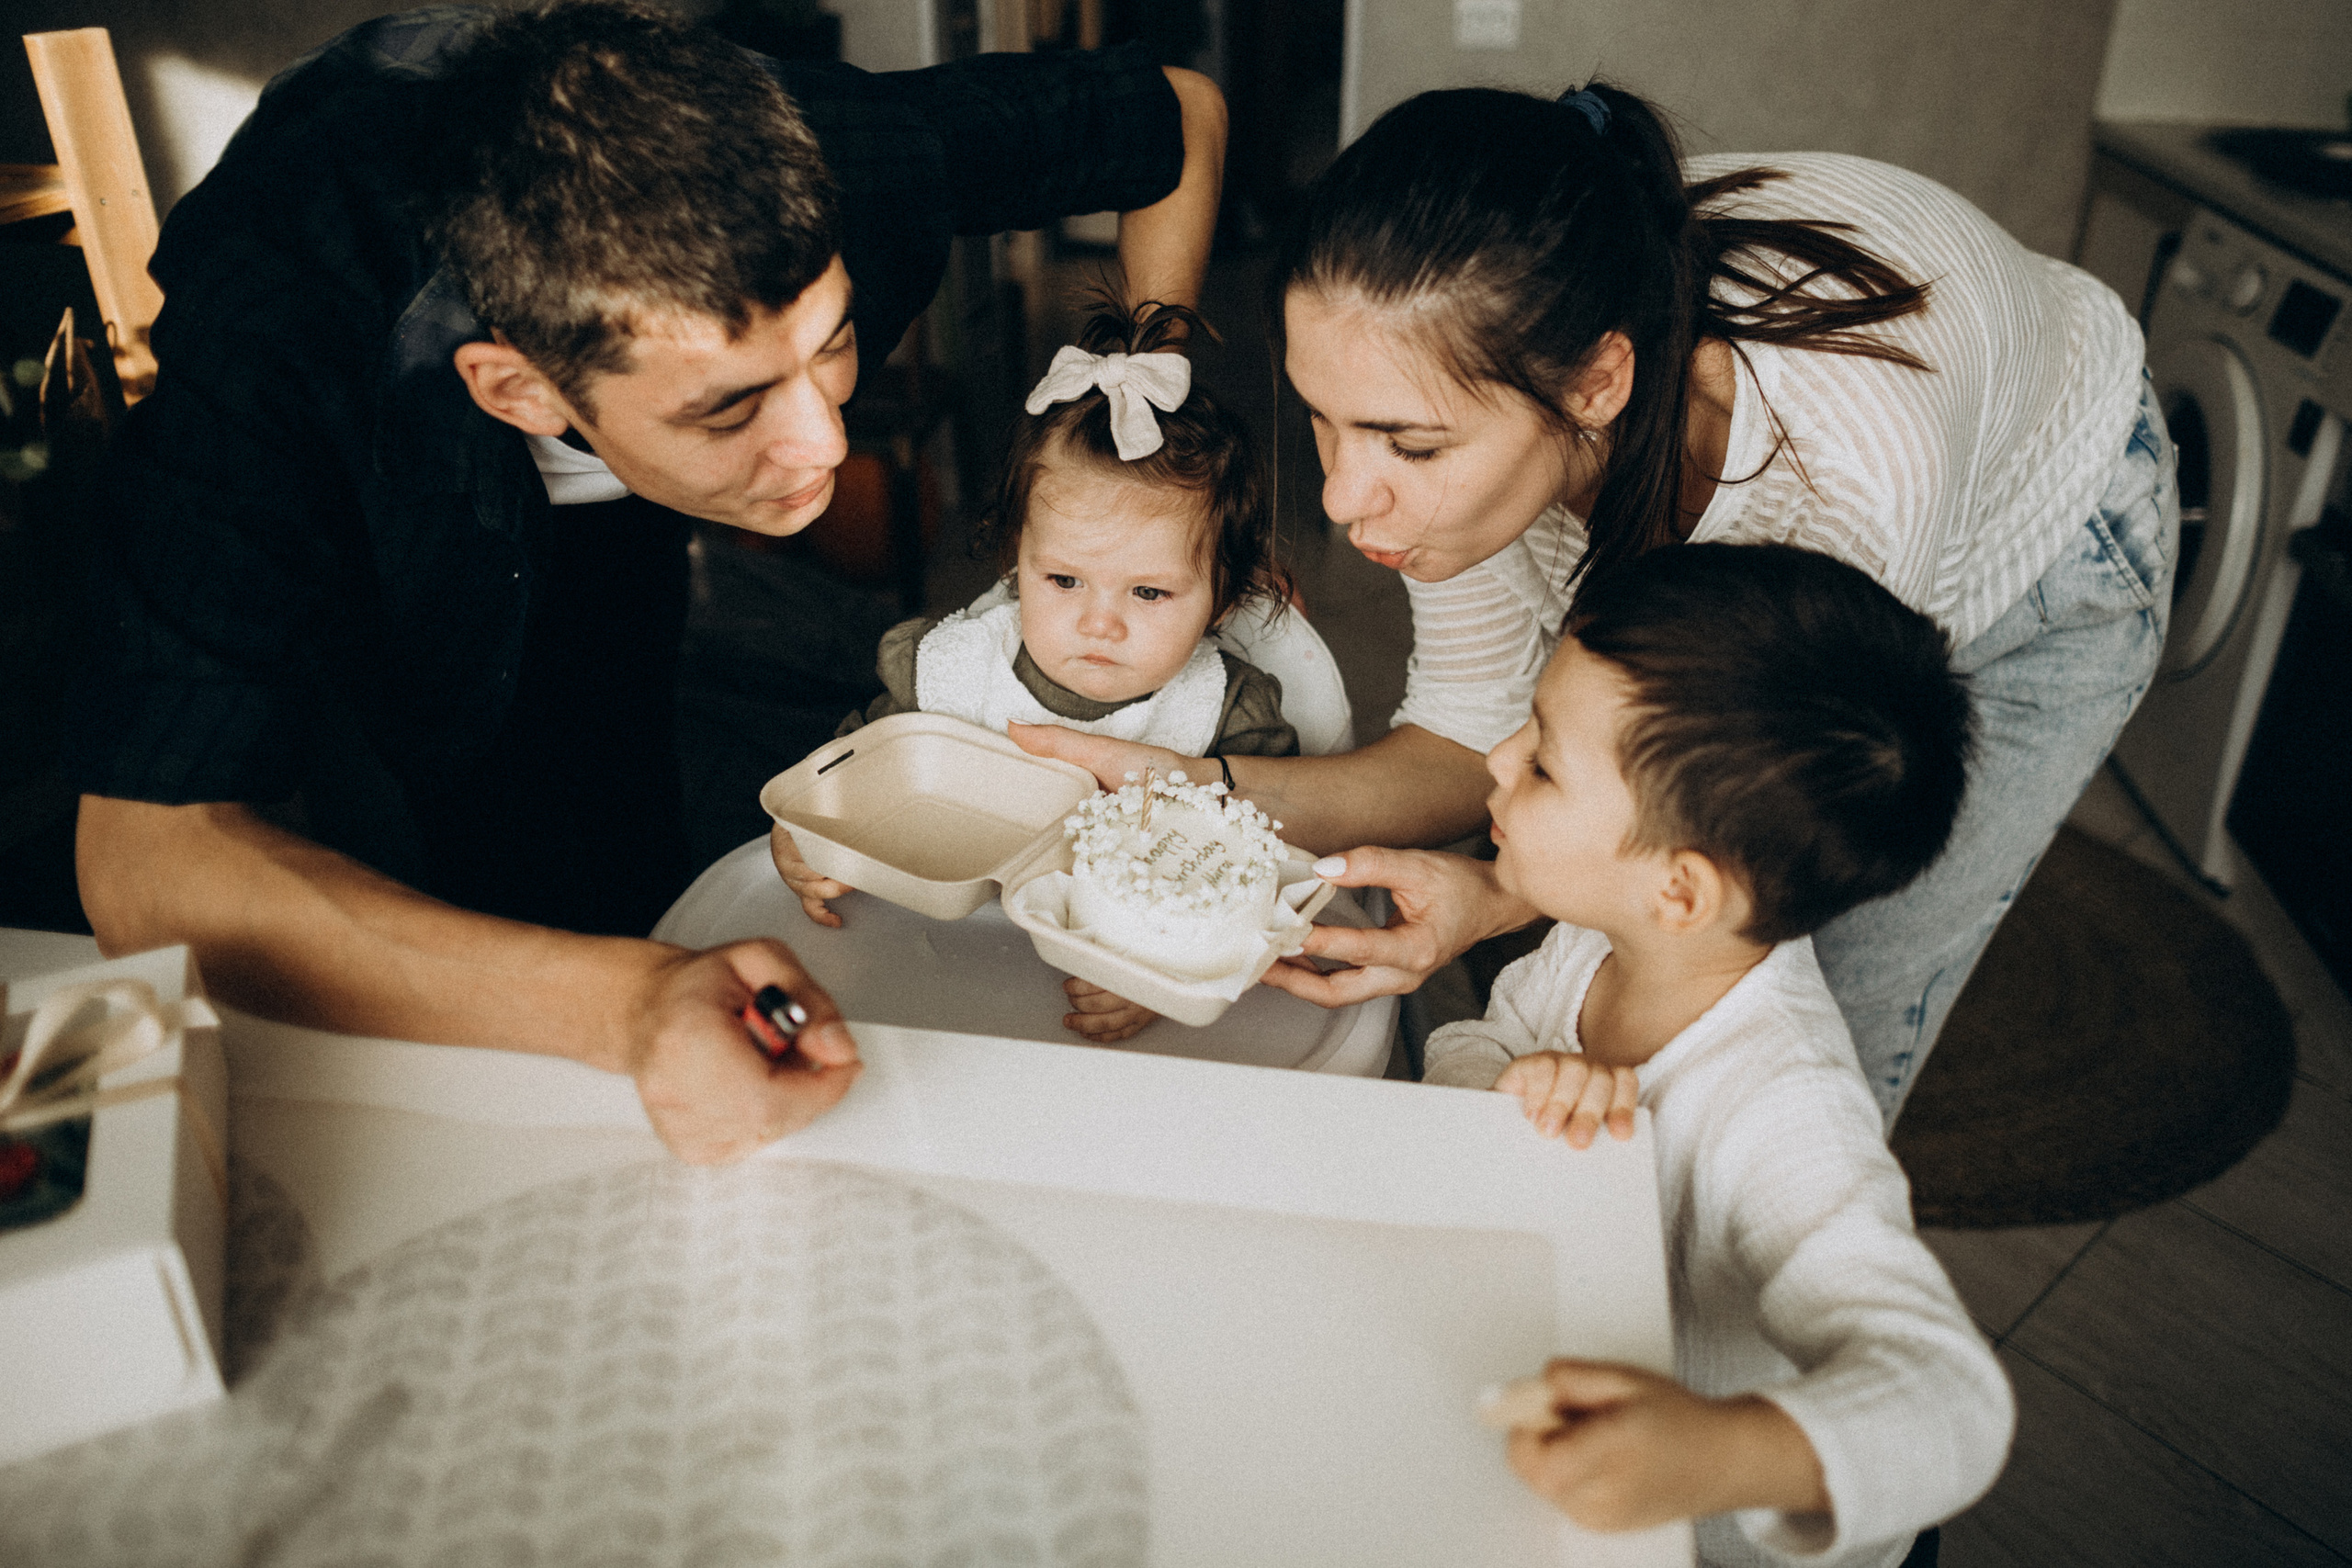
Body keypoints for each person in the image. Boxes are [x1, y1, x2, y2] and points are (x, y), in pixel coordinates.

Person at [65, 2, 1226, 1162]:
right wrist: (622, 1004)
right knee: (464, 814)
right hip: (399, 528)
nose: (824, 445)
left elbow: (1177, 113)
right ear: (517, 391)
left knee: (620, 736)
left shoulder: (845, 152)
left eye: (830, 343)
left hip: (617, 502)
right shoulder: (278, 330)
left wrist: (1148, 400)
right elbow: (144, 862)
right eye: (730, 407)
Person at [1011, 81, 2174, 1122]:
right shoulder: (1483, 374)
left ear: (1596, 385)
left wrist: (1498, 896)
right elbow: (1466, 736)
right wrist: (1190, 788)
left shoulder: (1841, 488)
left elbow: (1736, 864)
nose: (1344, 498)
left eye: (1408, 445)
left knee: (1804, 1033)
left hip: (2055, 527)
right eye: (1323, 418)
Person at [1430, 542, 2007, 1568]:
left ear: (1680, 889)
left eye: (1545, 762)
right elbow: (1473, 1041)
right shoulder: (1595, 938)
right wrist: (1507, 1088)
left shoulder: (1785, 1107)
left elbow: (1953, 1401)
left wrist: (1718, 1453)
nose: (1498, 760)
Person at [780, 299, 1299, 1043]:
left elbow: (1252, 881)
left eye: (1148, 593)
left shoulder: (1224, 719)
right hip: (945, 968)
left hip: (1105, 976)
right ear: (1015, 561)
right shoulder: (958, 672)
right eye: (1063, 580)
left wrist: (1168, 974)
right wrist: (811, 834)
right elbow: (859, 770)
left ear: (1223, 601)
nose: (1099, 622)